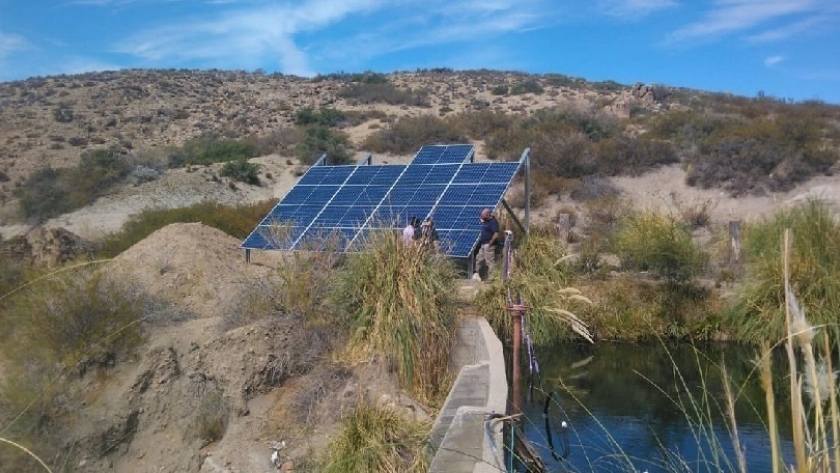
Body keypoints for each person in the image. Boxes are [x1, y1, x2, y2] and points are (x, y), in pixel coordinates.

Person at [473, 208, 499, 280]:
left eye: (483, 215)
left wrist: (490, 243)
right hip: (483, 244)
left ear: (488, 214)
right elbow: (482, 222)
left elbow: (496, 234)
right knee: (479, 258)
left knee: (489, 261)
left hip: (488, 245)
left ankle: (492, 276)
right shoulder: (486, 220)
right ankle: (476, 274)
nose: (482, 217)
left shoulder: (493, 222)